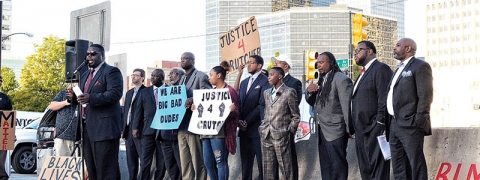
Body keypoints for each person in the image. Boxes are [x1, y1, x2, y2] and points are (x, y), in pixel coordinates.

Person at [66, 44, 123, 180]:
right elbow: (83, 99)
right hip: (87, 128)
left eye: (93, 54)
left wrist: (91, 97)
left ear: (102, 56)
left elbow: (115, 94)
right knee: (91, 170)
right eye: (87, 54)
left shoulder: (111, 72)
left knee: (106, 170)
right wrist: (73, 97)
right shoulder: (85, 74)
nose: (89, 56)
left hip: (105, 129)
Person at [387, 38, 433, 180]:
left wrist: (417, 122)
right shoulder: (398, 69)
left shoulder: (420, 66)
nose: (394, 48)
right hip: (394, 125)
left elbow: (425, 97)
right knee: (398, 166)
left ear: (408, 49)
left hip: (410, 125)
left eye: (398, 45)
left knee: (416, 165)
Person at [305, 52, 353, 180]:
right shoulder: (322, 79)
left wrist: (349, 129)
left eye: (321, 62)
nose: (318, 66)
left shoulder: (341, 79)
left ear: (330, 63)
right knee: (326, 166)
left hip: (336, 130)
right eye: (317, 63)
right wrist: (308, 92)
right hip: (322, 129)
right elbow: (312, 102)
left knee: (338, 166)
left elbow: (347, 106)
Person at [351, 41, 392, 180]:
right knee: (366, 171)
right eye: (355, 51)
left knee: (378, 172)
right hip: (361, 131)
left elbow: (384, 98)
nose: (355, 54)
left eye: (358, 50)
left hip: (374, 129)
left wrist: (380, 124)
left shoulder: (381, 69)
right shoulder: (363, 73)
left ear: (369, 51)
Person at [193, 61, 239, 180]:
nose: (209, 78)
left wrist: (232, 110)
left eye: (211, 75)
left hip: (220, 132)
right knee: (208, 163)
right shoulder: (209, 92)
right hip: (206, 132)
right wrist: (196, 109)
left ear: (219, 76)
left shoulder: (229, 91)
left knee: (220, 162)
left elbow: (237, 113)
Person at [259, 67, 300, 180]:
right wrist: (263, 126)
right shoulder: (266, 93)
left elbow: (296, 115)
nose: (269, 77)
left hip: (281, 135)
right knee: (268, 169)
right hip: (266, 134)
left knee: (285, 168)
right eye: (269, 75)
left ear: (280, 76)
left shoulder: (289, 92)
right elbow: (266, 111)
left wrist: (289, 131)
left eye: (272, 74)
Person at [178, 52, 211, 180]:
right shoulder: (181, 78)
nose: (182, 60)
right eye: (181, 59)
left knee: (197, 160)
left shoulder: (201, 76)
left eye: (185, 58)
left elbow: (208, 95)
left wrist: (194, 98)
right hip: (181, 124)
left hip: (194, 124)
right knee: (185, 162)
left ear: (193, 60)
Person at [238, 55, 270, 180]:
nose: (248, 65)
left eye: (251, 62)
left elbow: (262, 104)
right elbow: (239, 102)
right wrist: (240, 120)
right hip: (244, 130)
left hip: (257, 129)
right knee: (246, 165)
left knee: (262, 164)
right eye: (248, 62)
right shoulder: (244, 82)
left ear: (259, 65)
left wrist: (247, 121)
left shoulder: (265, 81)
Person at [272, 54, 302, 180]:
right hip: (271, 129)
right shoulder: (271, 83)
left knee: (289, 160)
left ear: (285, 66)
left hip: (285, 128)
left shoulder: (294, 83)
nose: (274, 64)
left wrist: (290, 129)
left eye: (278, 63)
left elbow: (295, 106)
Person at [134, 69, 167, 180]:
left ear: (162, 78)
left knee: (161, 162)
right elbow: (138, 111)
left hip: (163, 131)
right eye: (152, 76)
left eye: (156, 76)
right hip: (147, 131)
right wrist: (135, 127)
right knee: (145, 161)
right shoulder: (144, 92)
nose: (152, 78)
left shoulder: (171, 91)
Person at [160, 67, 186, 180]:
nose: (170, 76)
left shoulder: (186, 90)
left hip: (178, 135)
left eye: (172, 74)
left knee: (182, 166)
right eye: (169, 74)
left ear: (180, 75)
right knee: (170, 167)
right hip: (165, 136)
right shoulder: (165, 91)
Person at [122, 68, 146, 180]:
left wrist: (137, 127)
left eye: (136, 75)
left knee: (143, 159)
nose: (133, 77)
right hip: (128, 130)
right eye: (132, 75)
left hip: (140, 131)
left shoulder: (146, 92)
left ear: (142, 78)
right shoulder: (129, 93)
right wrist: (123, 130)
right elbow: (126, 111)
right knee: (131, 160)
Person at [50, 84, 79, 156]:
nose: (75, 84)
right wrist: (66, 102)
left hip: (79, 139)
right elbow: (52, 106)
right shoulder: (63, 93)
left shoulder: (84, 94)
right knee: (60, 163)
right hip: (62, 137)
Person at [0, 76, 13, 180]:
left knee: (2, 154)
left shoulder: (5, 98)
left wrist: (12, 133)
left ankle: (2, 176)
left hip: (2, 130)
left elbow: (10, 116)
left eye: (0, 81)